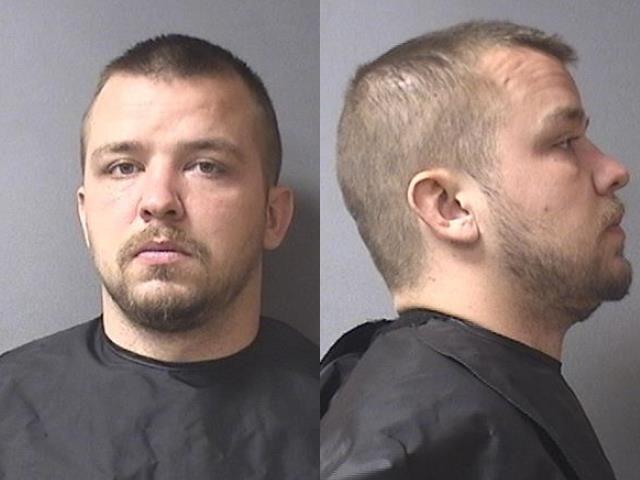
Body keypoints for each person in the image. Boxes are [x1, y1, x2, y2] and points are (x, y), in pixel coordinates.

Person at [321, 20, 630, 479]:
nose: (614, 170)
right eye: (564, 142)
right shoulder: (408, 452)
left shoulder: (472, 401)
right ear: (450, 207)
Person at [0, 34, 317, 479]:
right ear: (85, 215)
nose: (158, 201)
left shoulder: (339, 414)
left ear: (272, 216)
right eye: (124, 167)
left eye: (206, 165)